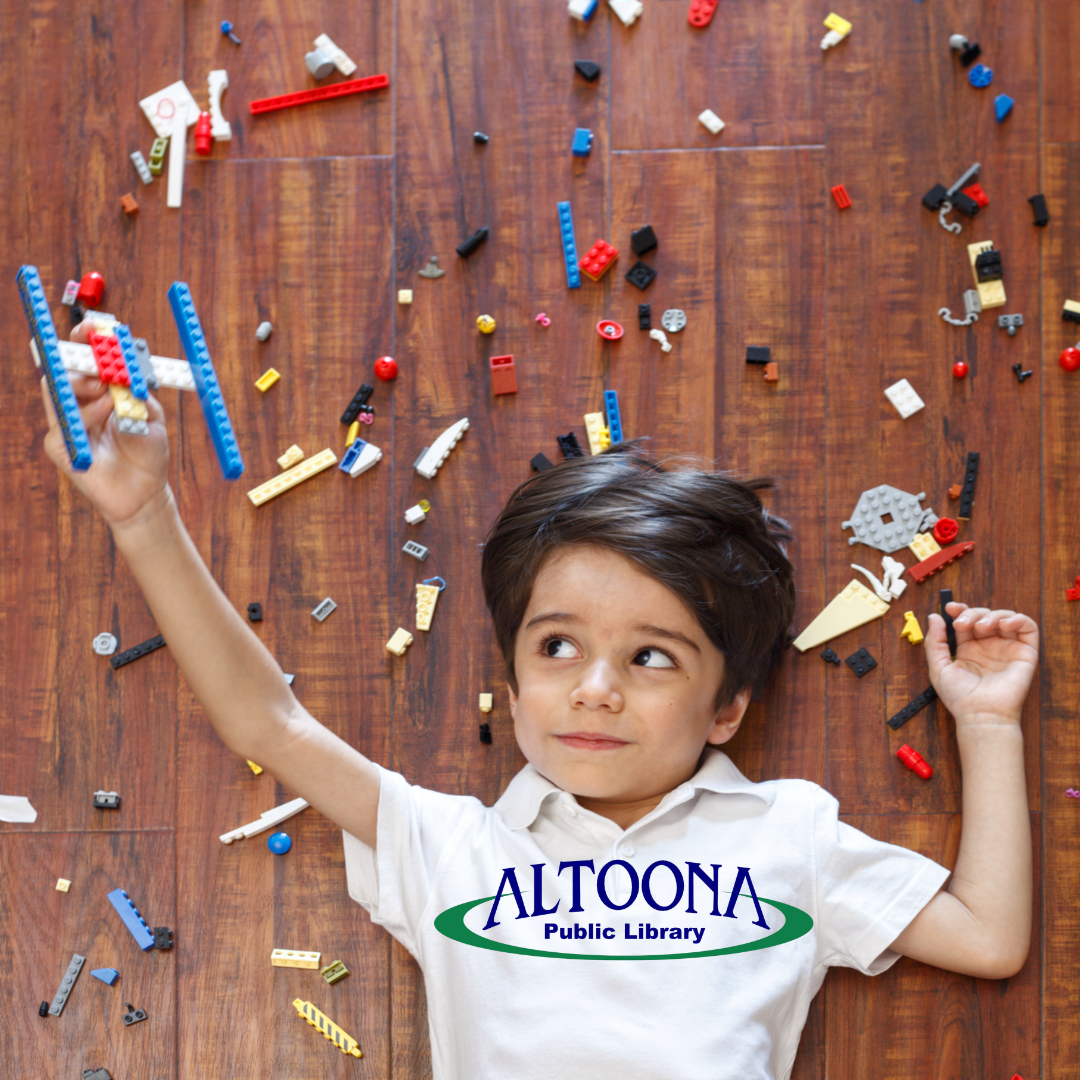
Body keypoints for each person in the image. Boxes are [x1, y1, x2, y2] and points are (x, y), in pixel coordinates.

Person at [40, 323, 1038, 1080]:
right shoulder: (451, 847)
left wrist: (987, 725)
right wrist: (143, 513)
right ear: (514, 683)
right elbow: (270, 722)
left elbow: (988, 939)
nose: (595, 688)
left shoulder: (789, 837)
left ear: (726, 707)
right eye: (558, 646)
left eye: (652, 658)